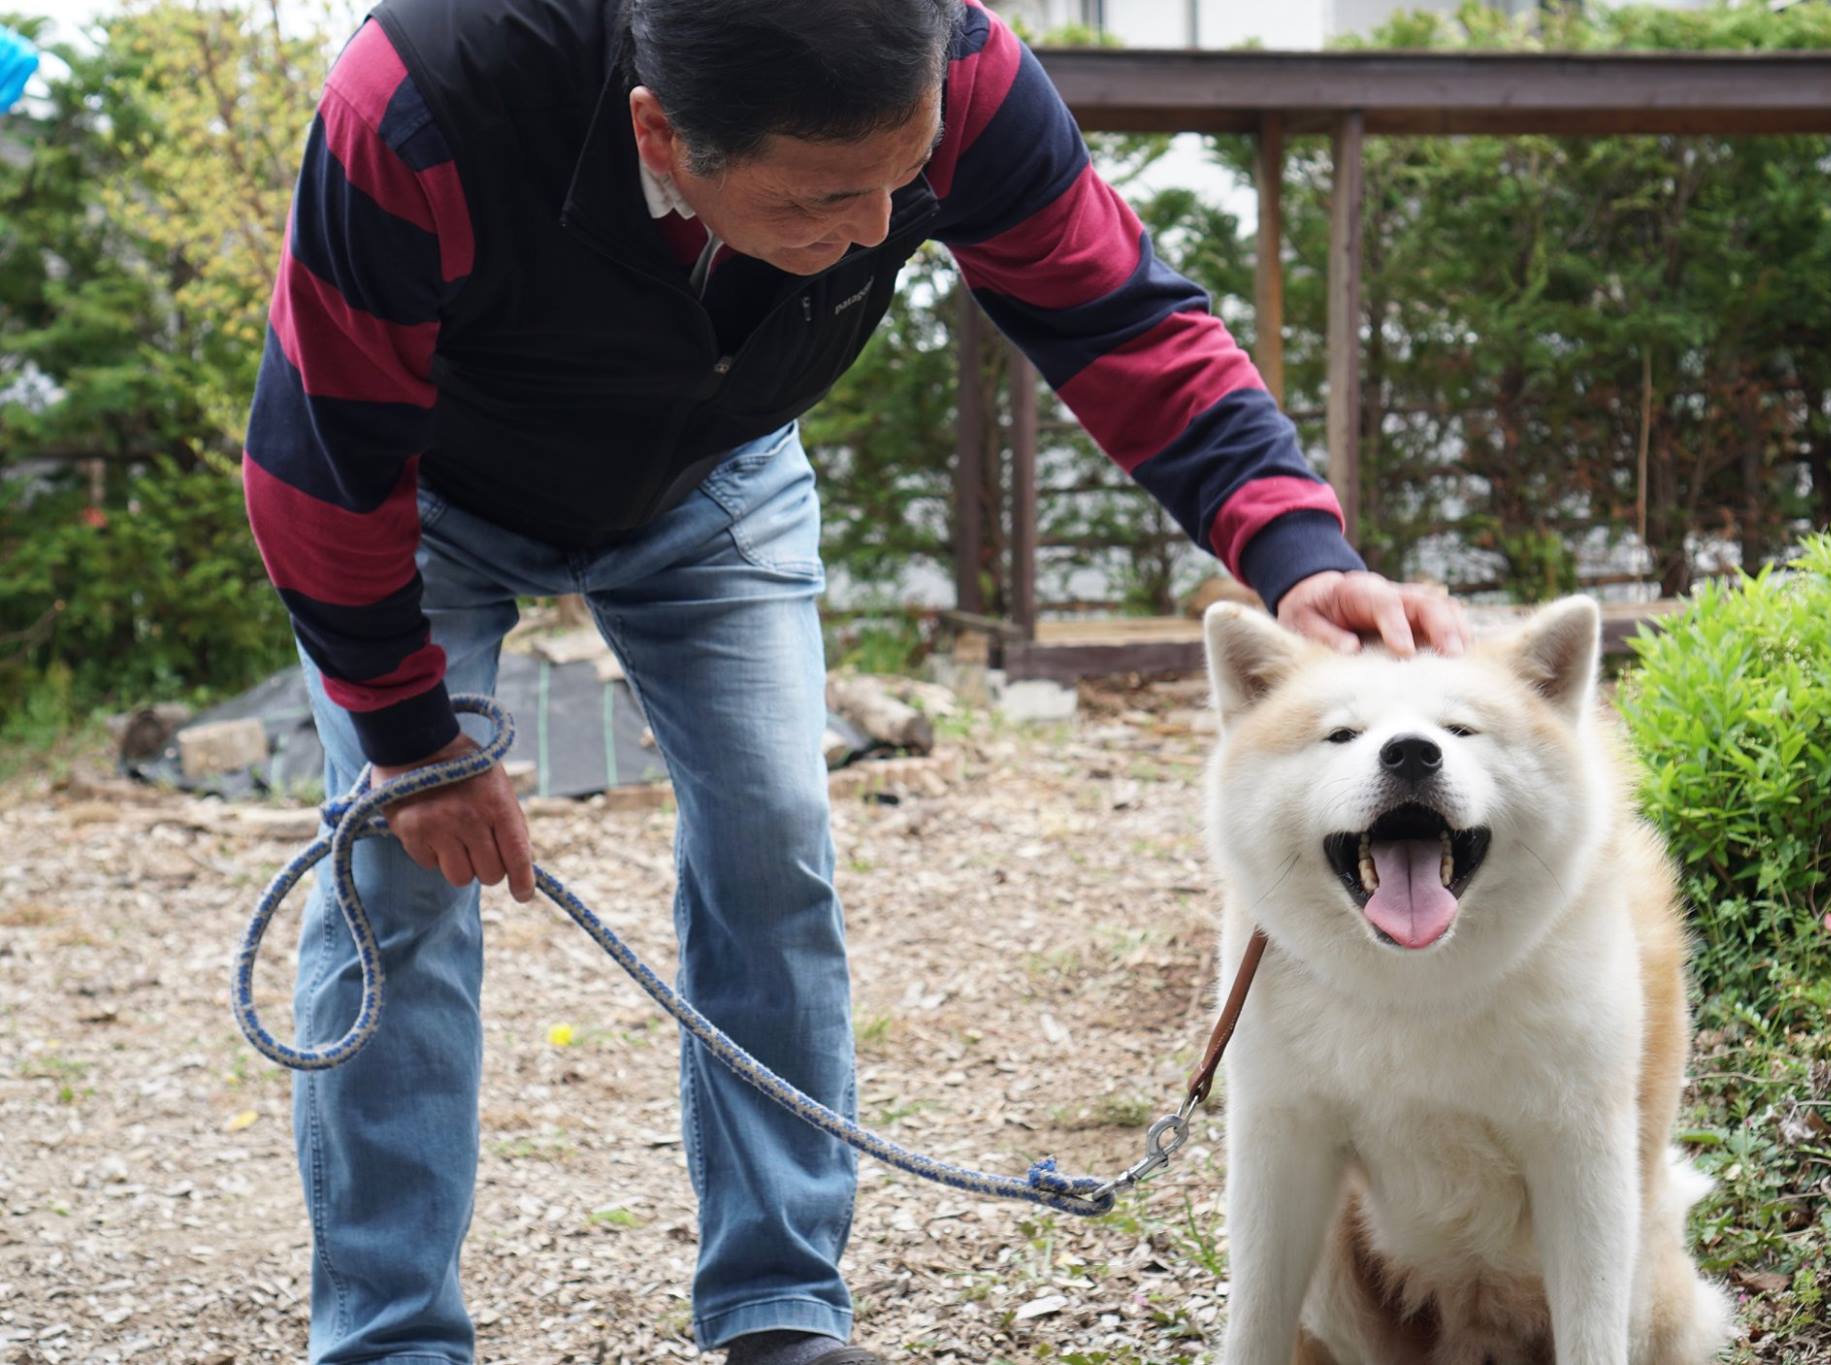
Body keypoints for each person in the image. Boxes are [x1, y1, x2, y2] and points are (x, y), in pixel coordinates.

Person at [242, 0, 1470, 1361]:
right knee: (399, 888)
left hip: (718, 477)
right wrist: (413, 741)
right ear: (662, 129)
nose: (883, 229)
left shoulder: (960, 66)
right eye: (828, 197)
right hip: (427, 493)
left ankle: (780, 1306)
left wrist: (1293, 544)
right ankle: (390, 1333)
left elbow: (1115, 313)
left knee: (774, 838)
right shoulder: (422, 98)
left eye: (907, 178)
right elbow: (323, 456)